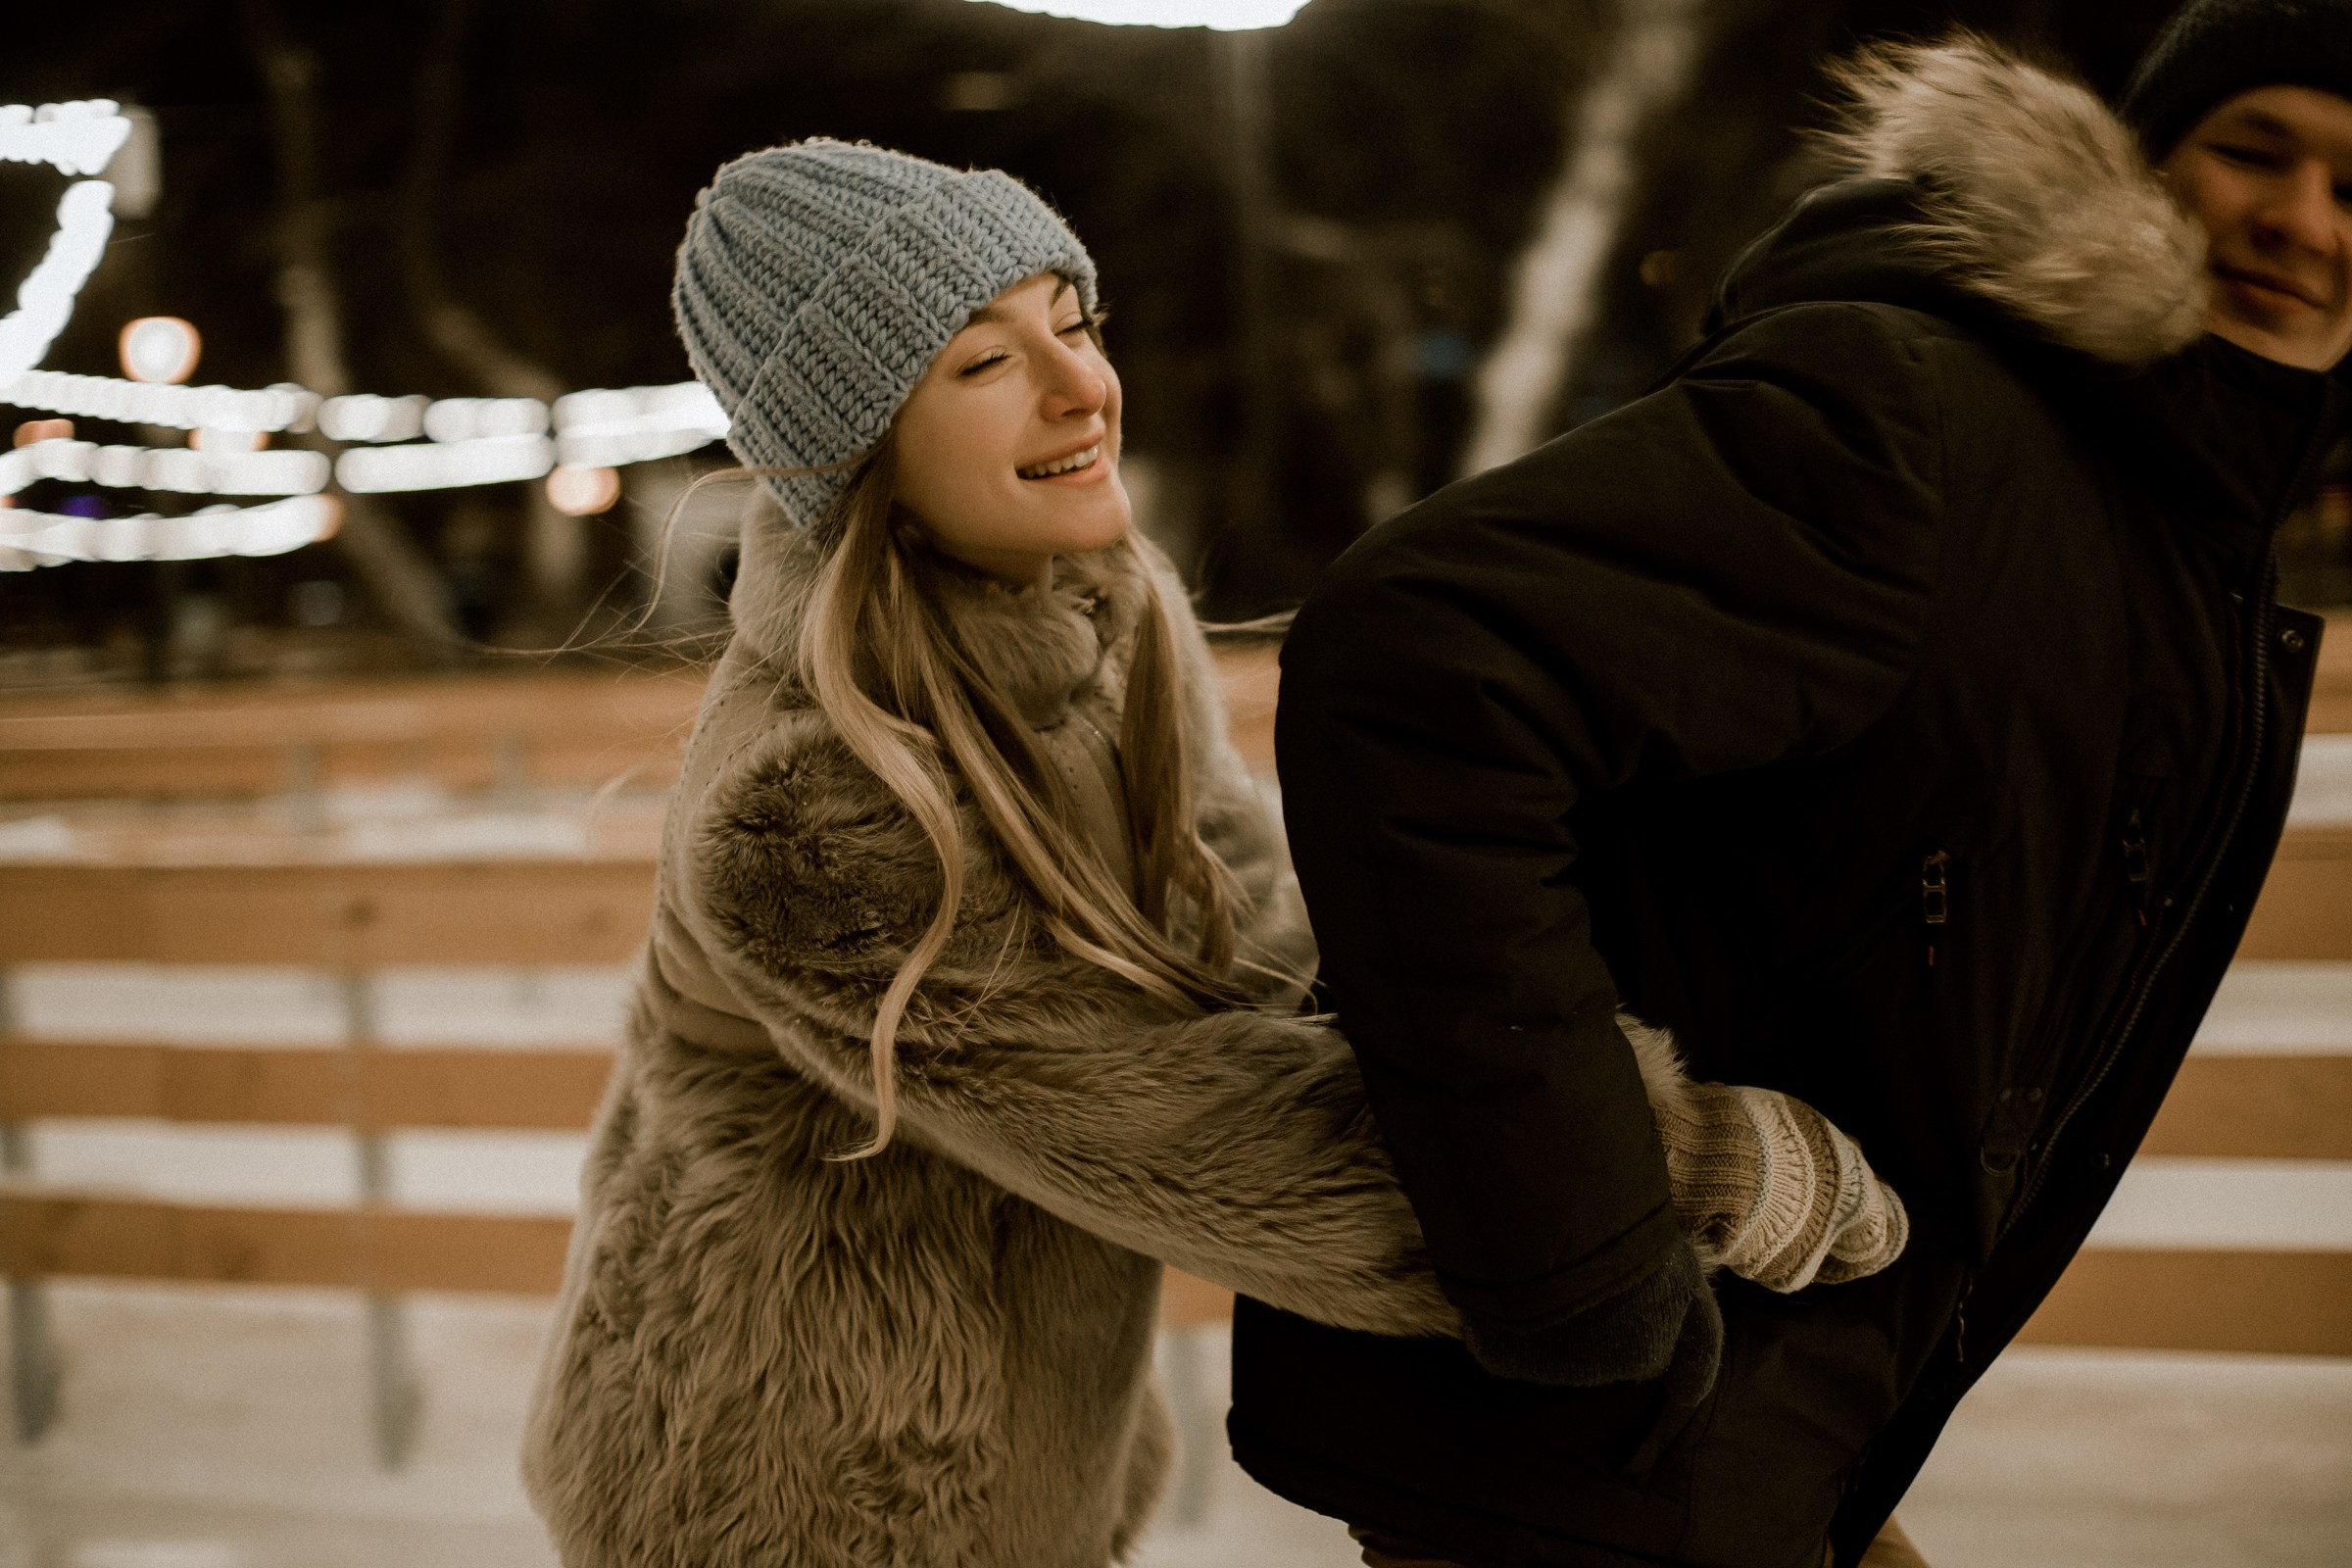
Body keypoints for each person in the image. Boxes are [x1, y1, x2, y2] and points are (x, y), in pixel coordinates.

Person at [519, 141, 1905, 1568]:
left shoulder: (1102, 596)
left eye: (1073, 324)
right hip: (781, 1490)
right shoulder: (815, 812)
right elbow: (1194, 1131)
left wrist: (1552, 1031)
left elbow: (1249, 939)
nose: (1081, 390)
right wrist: (1659, 1174)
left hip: (1009, 1436)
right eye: (982, 363)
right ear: (853, 445)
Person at [1239, 6, 2352, 1567]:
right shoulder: (1923, 418)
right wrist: (1583, 1253)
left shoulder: (2179, 549)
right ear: (2141, 166)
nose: (2303, 220)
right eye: (2256, 150)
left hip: (1767, 1432)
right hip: (1602, 1438)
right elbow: (1415, 663)